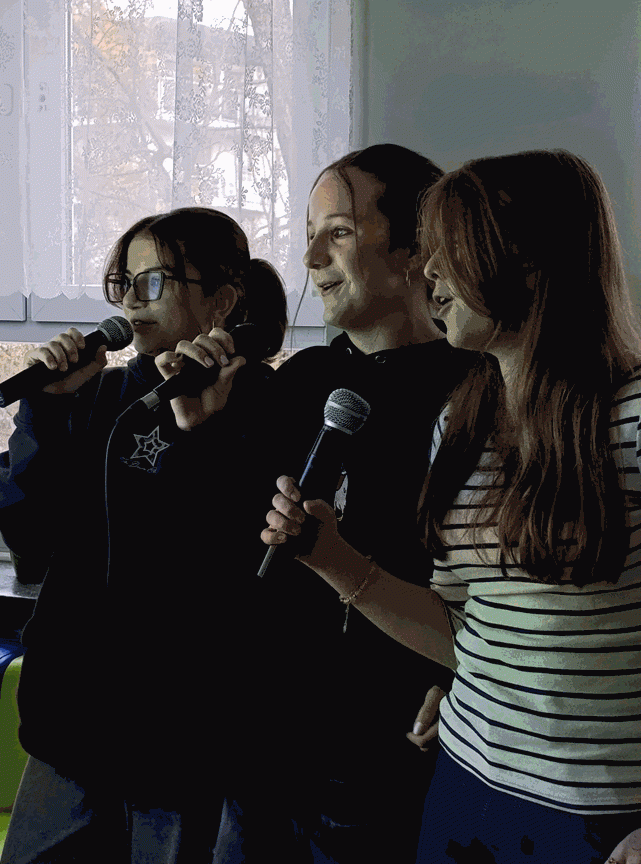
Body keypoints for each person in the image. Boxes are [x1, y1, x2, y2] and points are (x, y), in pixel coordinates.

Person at [261, 150, 641, 864]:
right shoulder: (460, 420)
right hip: (461, 792)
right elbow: (465, 628)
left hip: (608, 816)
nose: (431, 273)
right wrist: (333, 560)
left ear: (526, 261)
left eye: (452, 252)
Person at [165, 143, 484, 863]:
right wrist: (201, 436)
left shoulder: (477, 391)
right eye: (310, 234)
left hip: (387, 755)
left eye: (338, 232)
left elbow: (498, 584)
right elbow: (226, 545)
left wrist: (456, 681)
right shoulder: (300, 379)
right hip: (263, 744)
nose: (310, 258)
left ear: (416, 249)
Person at [0, 207, 293, 863]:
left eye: (154, 282)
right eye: (123, 282)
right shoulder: (95, 395)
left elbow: (249, 566)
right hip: (72, 727)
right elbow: (29, 535)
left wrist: (204, 437)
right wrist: (47, 408)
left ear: (221, 300)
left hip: (182, 736)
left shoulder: (267, 406)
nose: (131, 300)